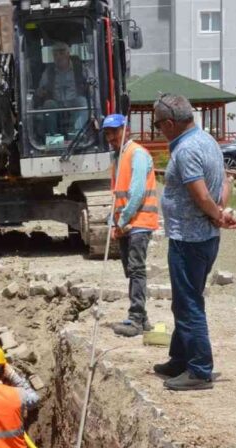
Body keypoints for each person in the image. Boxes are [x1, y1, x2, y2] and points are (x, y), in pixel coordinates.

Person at [151, 93, 236, 392]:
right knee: (184, 301)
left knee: (189, 304)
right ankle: (180, 358)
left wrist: (215, 214)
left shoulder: (186, 150)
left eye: (158, 125)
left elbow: (200, 194)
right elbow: (224, 181)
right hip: (205, 236)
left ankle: (199, 369)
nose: (158, 131)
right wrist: (220, 214)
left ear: (171, 123)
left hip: (189, 239)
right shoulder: (208, 141)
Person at [102, 113, 159, 338]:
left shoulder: (137, 154)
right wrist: (113, 218)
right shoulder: (118, 157)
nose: (111, 137)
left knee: (136, 269)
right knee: (130, 269)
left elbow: (136, 193)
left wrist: (122, 220)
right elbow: (119, 194)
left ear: (125, 130)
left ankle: (135, 318)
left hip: (139, 222)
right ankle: (142, 318)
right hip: (127, 223)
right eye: (107, 133)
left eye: (114, 132)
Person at [34, 40, 88, 136]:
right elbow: (40, 90)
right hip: (57, 103)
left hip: (74, 102)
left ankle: (76, 135)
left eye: (61, 53)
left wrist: (89, 88)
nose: (58, 57)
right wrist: (41, 92)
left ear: (68, 54)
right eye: (55, 54)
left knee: (82, 101)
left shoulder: (80, 68)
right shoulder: (48, 72)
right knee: (48, 104)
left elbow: (92, 82)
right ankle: (53, 137)